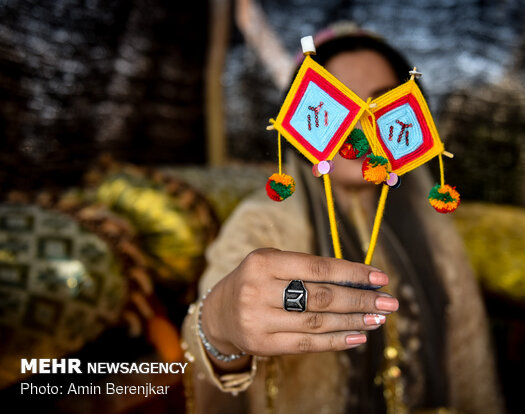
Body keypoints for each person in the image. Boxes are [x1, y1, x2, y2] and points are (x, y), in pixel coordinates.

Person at [182, 23, 505, 414]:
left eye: (381, 105)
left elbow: (469, 359)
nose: (359, 129)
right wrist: (219, 325)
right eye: (336, 105)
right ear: (301, 117)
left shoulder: (429, 218)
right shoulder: (263, 222)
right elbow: (207, 339)